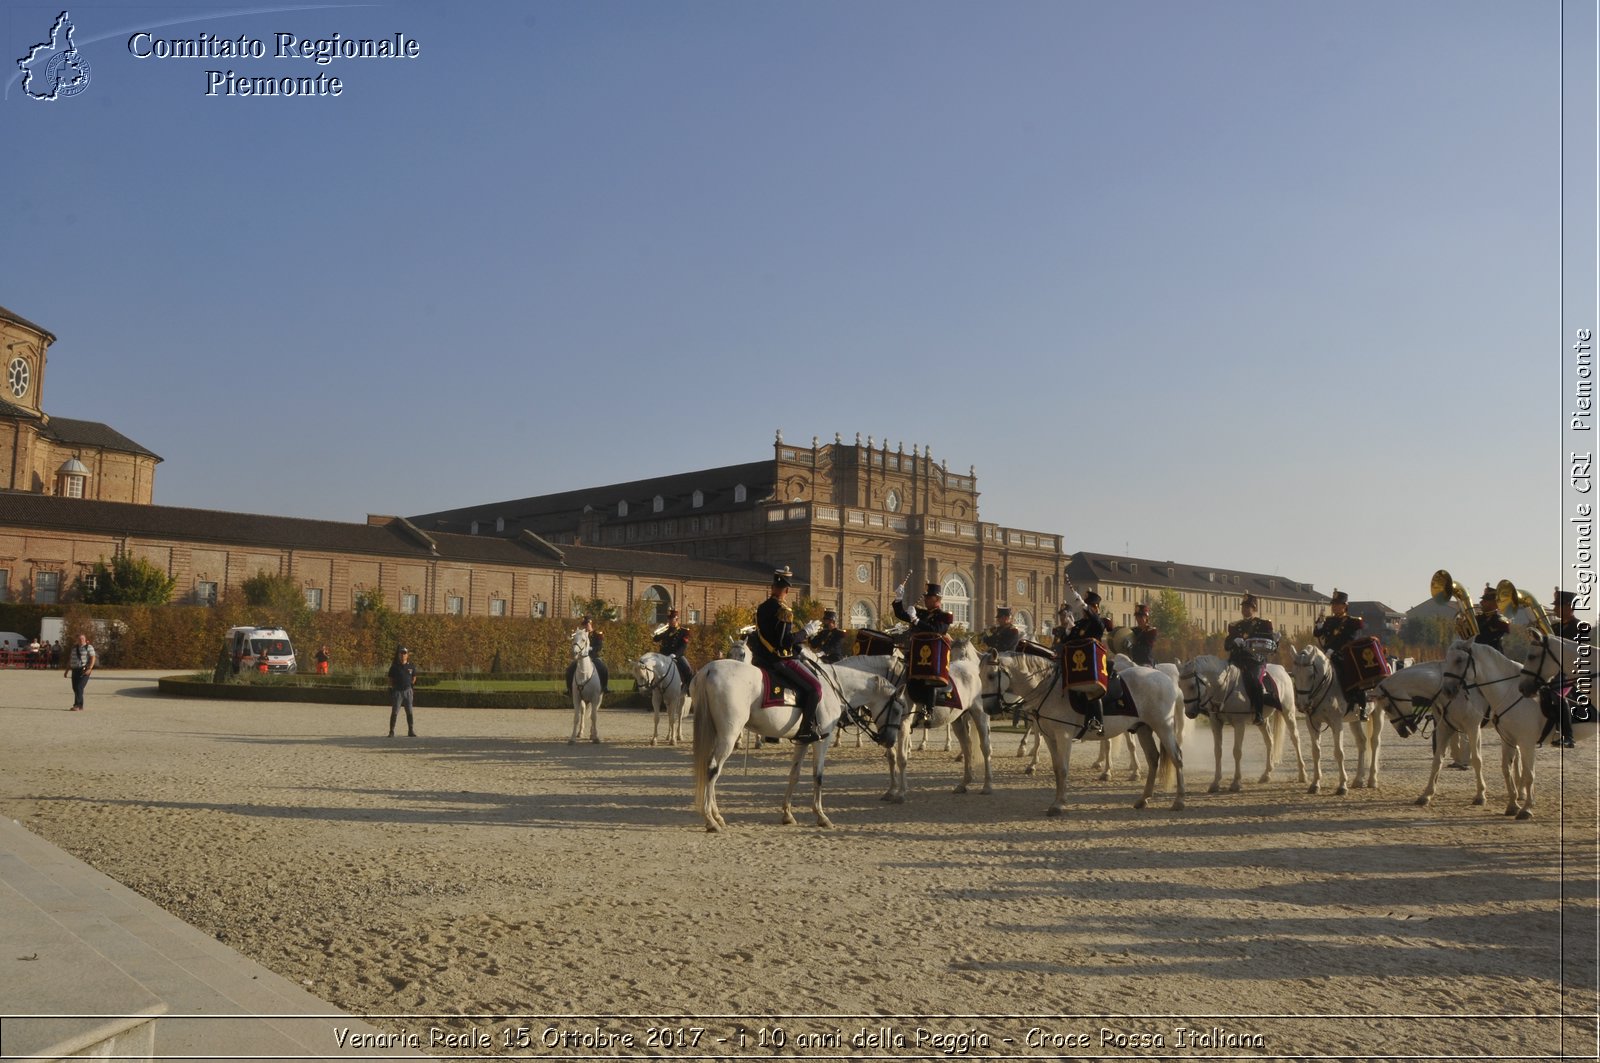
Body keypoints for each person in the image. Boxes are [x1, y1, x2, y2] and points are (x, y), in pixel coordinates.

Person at [751, 567, 823, 743]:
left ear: (773, 586)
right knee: (815, 689)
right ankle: (805, 729)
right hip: (778, 660)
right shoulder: (784, 611)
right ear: (787, 590)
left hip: (761, 659)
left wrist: (799, 646)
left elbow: (770, 638)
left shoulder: (762, 607)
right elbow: (784, 642)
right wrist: (805, 632)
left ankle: (772, 732)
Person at [890, 580, 955, 745]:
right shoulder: (924, 613)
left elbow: (937, 630)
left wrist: (916, 621)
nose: (926, 599)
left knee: (929, 677)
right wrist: (899, 599)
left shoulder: (944, 616)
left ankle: (929, 709)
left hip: (932, 656)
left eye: (929, 597)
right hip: (915, 653)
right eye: (926, 597)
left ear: (937, 599)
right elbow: (901, 614)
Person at [1313, 590, 1370, 720]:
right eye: (1333, 604)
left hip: (1343, 654)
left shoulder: (1351, 621)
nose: (1334, 607)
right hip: (1327, 654)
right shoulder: (1329, 620)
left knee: (1352, 675)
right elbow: (1317, 634)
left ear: (1345, 606)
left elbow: (1348, 638)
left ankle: (1362, 707)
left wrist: (1334, 650)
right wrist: (1319, 624)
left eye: (1337, 604)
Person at [1062, 590, 1112, 732]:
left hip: (1093, 662)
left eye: (1090, 607)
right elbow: (1067, 642)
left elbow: (1097, 623)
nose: (1086, 610)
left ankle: (1096, 720)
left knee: (1092, 688)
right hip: (1077, 663)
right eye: (1086, 607)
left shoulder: (1099, 622)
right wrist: (1068, 629)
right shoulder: (1080, 624)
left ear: (1095, 608)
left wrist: (1083, 605)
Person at [1225, 593, 1276, 724]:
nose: (1245, 610)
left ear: (1254, 609)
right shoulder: (1234, 626)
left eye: (1248, 607)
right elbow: (1226, 645)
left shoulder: (1263, 624)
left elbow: (1271, 642)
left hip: (1255, 660)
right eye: (1243, 607)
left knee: (1255, 680)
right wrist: (1233, 641)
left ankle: (1258, 713)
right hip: (1237, 661)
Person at [1546, 589, 1586, 748]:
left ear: (1569, 606)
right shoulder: (1554, 627)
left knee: (1558, 695)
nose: (1555, 609)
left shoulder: (1579, 626)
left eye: (1558, 605)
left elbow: (1582, 653)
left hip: (1571, 672)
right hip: (1553, 670)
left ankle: (1568, 736)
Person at [565, 616, 611, 694]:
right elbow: (572, 639)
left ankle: (604, 687)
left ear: (591, 623)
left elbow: (599, 646)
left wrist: (591, 648)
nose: (586, 626)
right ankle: (569, 689)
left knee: (603, 668)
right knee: (569, 669)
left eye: (587, 624)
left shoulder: (597, 634)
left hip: (593, 657)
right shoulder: (580, 634)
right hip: (581, 658)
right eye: (584, 625)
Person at [652, 609, 694, 687]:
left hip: (677, 656)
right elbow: (655, 639)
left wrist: (675, 655)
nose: (670, 621)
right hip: (663, 656)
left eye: (672, 619)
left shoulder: (684, 631)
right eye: (669, 619)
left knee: (688, 669)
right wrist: (657, 631)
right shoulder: (665, 630)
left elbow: (683, 646)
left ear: (677, 619)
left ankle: (689, 689)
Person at [388, 646, 417, 737]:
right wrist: (394, 687)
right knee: (395, 711)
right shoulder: (394, 667)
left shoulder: (411, 666)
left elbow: (414, 677)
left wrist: (410, 686)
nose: (403, 655)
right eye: (401, 653)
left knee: (409, 711)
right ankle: (391, 731)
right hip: (397, 691)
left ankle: (411, 730)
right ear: (399, 654)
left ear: (407, 655)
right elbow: (390, 679)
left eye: (404, 653)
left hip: (408, 691)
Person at [1474, 585, 1510, 652]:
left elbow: (1487, 639)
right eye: (1482, 600)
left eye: (1485, 600)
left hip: (1493, 656)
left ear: (1494, 603)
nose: (1481, 602)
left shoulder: (1501, 621)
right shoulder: (1478, 618)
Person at [64, 633, 95, 711]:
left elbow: (93, 658)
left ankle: (76, 705)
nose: (81, 640)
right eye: (79, 639)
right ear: (77, 640)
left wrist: (90, 668)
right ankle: (80, 706)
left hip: (84, 670)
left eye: (82, 639)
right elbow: (70, 659)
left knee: (79, 687)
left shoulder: (89, 647)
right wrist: (66, 671)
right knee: (75, 688)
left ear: (85, 639)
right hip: (75, 670)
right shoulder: (74, 648)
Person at [1128, 603, 1159, 667]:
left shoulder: (1151, 631)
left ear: (1146, 617)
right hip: (1133, 661)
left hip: (1146, 662)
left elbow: (1146, 649)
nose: (1138, 619)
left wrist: (1131, 647)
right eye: (1137, 617)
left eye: (1141, 617)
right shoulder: (1133, 630)